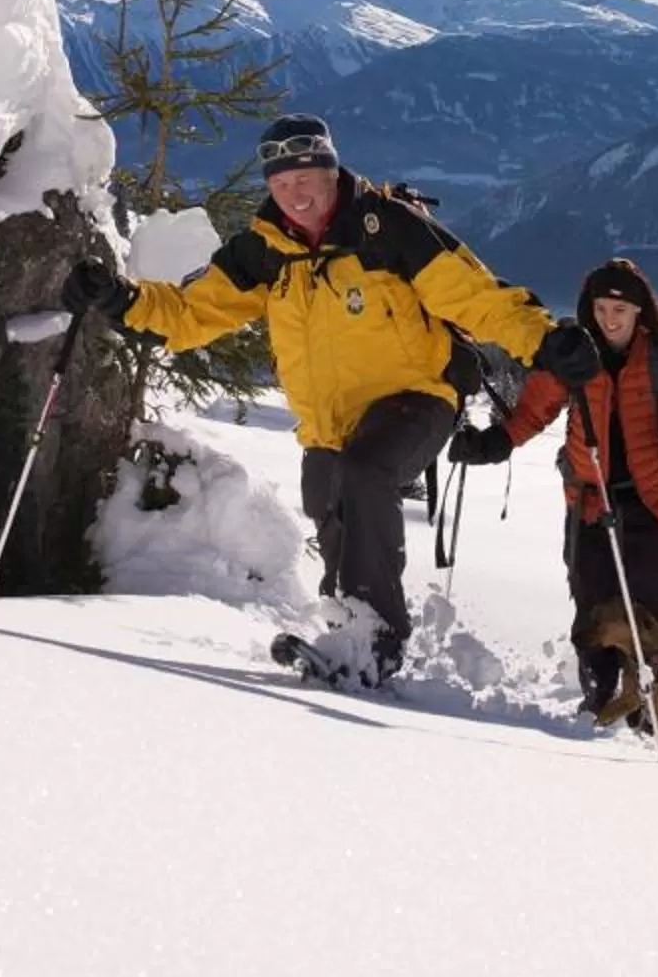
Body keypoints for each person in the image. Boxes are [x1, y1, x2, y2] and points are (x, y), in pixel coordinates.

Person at [61, 113, 590, 681]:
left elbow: (475, 297)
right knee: (329, 504)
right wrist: (119, 298)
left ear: (331, 171)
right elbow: (192, 313)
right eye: (281, 185)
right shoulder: (263, 252)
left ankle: (376, 638)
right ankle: (344, 635)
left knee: (367, 472)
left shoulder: (387, 229)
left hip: (417, 395)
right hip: (328, 422)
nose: (295, 195)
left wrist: (544, 340)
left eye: (306, 179)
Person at [450, 256, 658, 723]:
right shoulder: (573, 359)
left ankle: (642, 705)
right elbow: (533, 411)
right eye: (601, 309)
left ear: (639, 312)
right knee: (593, 611)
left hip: (651, 505)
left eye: (620, 310)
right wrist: (495, 442)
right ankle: (598, 695)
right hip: (591, 504)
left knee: (646, 616)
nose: (609, 319)